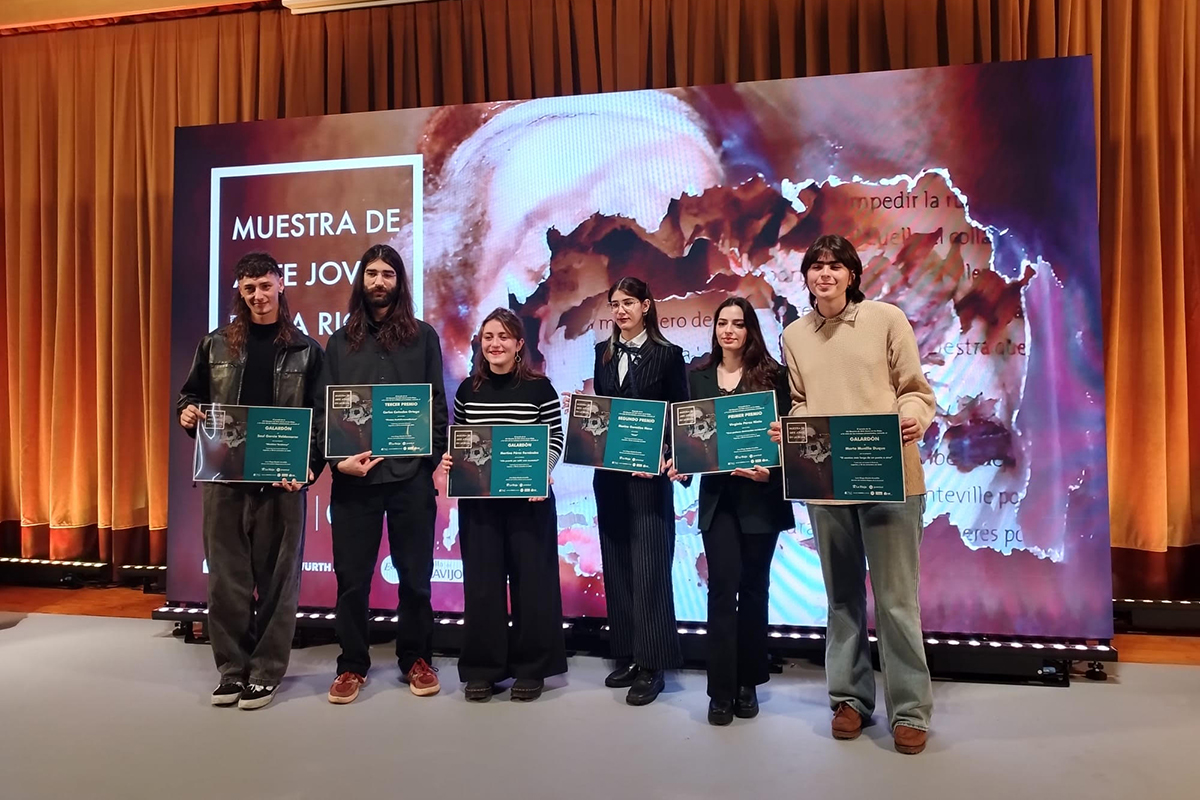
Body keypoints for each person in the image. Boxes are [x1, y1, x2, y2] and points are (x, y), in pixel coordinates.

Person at [772, 233, 936, 755]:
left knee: (895, 601)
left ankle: (909, 710)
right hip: (827, 482)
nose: (825, 275)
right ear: (806, 278)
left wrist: (910, 418)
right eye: (816, 267)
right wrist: (791, 432)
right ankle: (849, 700)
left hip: (891, 478)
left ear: (852, 274)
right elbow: (800, 401)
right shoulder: (795, 334)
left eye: (835, 266)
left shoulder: (887, 319)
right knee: (841, 600)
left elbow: (914, 390)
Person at [177, 251, 324, 711]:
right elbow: (191, 397)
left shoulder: (307, 350)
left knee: (280, 582)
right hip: (225, 482)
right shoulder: (215, 345)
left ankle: (265, 673)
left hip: (283, 484)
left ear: (280, 284)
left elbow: (321, 420)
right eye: (249, 288)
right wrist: (186, 414)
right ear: (240, 292)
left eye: (265, 285)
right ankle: (231, 671)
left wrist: (310, 466)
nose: (258, 296)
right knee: (226, 582)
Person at [318, 243, 448, 705]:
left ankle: (416, 657)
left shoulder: (424, 337)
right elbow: (324, 412)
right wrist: (337, 462)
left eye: (387, 275)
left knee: (416, 578)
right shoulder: (338, 342)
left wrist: (430, 465)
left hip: (410, 479)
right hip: (355, 482)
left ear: (399, 282)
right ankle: (352, 665)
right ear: (361, 280)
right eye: (371, 274)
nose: (379, 282)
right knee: (352, 580)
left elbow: (436, 406)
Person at [669, 297, 793, 726]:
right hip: (719, 500)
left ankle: (748, 683)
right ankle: (720, 689)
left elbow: (789, 441)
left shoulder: (774, 377)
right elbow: (688, 441)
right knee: (722, 590)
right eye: (722, 323)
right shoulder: (697, 377)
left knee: (755, 590)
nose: (729, 331)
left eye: (738, 324)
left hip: (761, 500)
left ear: (750, 330)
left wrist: (771, 474)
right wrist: (679, 467)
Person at [439, 308, 567, 702]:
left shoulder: (540, 389)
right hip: (481, 506)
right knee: (482, 587)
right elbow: (460, 440)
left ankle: (531, 668)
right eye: (488, 336)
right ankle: (484, 668)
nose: (494, 343)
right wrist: (449, 461)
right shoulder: (467, 391)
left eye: (503, 337)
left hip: (529, 503)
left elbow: (555, 439)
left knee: (533, 584)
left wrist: (542, 472)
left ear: (518, 345)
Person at [591, 277, 687, 706]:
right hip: (609, 476)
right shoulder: (602, 352)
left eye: (628, 302)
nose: (620, 310)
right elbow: (604, 414)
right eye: (614, 304)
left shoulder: (669, 355)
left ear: (646, 306)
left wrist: (669, 457)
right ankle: (629, 653)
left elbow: (680, 416)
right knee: (617, 562)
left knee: (650, 565)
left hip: (649, 480)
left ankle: (653, 664)